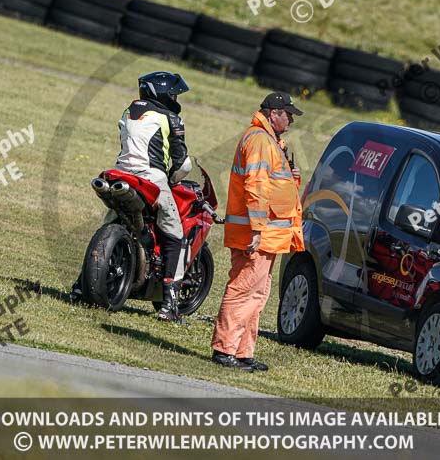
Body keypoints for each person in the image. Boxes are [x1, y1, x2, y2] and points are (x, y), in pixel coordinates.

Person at [210, 92, 305, 371]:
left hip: (267, 236)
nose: (291, 120)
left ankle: (242, 353)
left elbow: (274, 184)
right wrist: (257, 229)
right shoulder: (260, 140)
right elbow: (256, 186)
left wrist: (291, 176)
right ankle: (224, 350)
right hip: (257, 234)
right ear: (273, 112)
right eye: (288, 114)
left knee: (257, 294)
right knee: (243, 290)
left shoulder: (270, 141)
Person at [115, 71, 193, 322]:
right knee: (175, 235)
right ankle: (169, 304)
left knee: (111, 220)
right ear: (161, 93)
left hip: (119, 174)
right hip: (151, 179)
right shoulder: (171, 117)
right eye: (172, 93)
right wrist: (172, 179)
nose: (175, 98)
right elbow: (182, 164)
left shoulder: (129, 111)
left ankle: (82, 285)